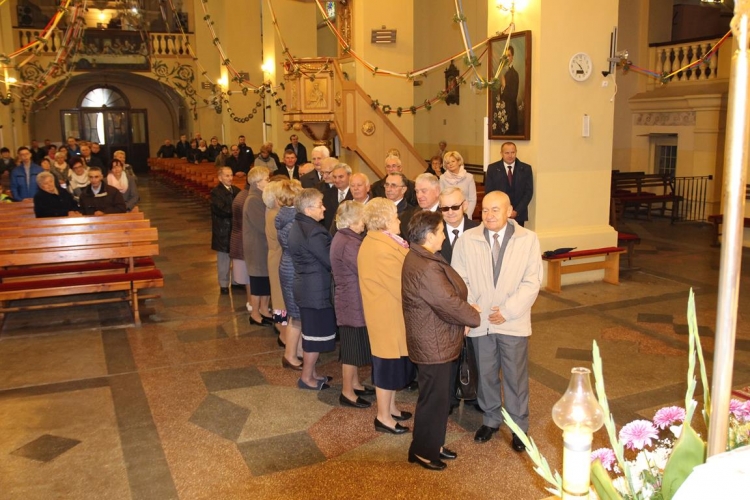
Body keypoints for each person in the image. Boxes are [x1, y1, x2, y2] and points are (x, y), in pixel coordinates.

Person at [451, 191, 542, 451]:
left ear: (509, 211)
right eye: (485, 210)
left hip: (512, 321)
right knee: (486, 374)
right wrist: (471, 306)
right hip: (481, 321)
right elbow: (459, 278)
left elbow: (532, 281)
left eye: (495, 210)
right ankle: (490, 419)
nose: (489, 215)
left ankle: (518, 426)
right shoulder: (468, 240)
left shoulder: (528, 239)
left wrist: (508, 311)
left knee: (515, 377)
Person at [402, 210, 480, 471]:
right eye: (440, 232)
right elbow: (446, 302)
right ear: (428, 235)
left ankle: (432, 444)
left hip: (434, 339)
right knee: (434, 401)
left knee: (439, 399)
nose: (444, 237)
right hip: (433, 344)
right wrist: (472, 315)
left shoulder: (420, 256)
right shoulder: (425, 266)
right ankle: (424, 452)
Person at [358, 198, 415, 434]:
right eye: (395, 217)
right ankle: (383, 417)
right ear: (384, 221)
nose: (399, 220)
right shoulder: (381, 248)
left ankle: (390, 408)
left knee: (392, 366)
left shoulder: (383, 241)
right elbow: (401, 286)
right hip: (386, 317)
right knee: (386, 367)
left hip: (390, 314)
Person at [288, 188, 336, 390]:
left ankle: (313, 373)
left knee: (311, 334)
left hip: (306, 287)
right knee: (314, 337)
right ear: (308, 209)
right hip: (316, 291)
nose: (324, 208)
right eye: (320, 205)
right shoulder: (313, 231)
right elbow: (330, 260)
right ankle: (306, 378)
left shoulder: (299, 224)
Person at [437, 187, 480, 413]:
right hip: (445, 302)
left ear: (464, 205)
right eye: (445, 208)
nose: (450, 212)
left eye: (455, 206)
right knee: (448, 353)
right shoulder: (433, 232)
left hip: (474, 300)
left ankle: (476, 395)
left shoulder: (478, 230)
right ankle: (449, 399)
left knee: (476, 351)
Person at [330, 201, 374, 408]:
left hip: (350, 299)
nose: (364, 222)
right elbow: (365, 268)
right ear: (353, 221)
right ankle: (347, 392)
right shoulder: (349, 242)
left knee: (353, 348)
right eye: (362, 218)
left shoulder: (345, 237)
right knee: (350, 350)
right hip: (351, 301)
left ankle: (355, 384)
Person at [276, 181, 305, 370]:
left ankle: (298, 350)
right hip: (294, 266)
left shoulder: (284, 214)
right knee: (296, 316)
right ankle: (290, 355)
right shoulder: (294, 219)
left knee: (295, 313)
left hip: (287, 263)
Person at [262, 180, 294, 346]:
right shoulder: (276, 215)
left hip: (275, 256)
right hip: (279, 257)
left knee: (278, 296)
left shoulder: (271, 211)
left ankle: (281, 328)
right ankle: (282, 332)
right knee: (280, 298)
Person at [242, 166, 273, 326]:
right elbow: (262, 225)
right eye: (267, 179)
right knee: (258, 281)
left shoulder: (261, 197)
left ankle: (264, 309)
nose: (269, 181)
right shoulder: (253, 199)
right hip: (257, 247)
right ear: (257, 183)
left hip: (263, 246)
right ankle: (255, 313)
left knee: (265, 280)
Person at [484, 142, 533, 226]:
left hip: (519, 215)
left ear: (516, 152)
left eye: (512, 152)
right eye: (507, 153)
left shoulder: (526, 169)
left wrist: (516, 211)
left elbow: (528, 192)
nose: (510, 156)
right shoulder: (493, 168)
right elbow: (489, 192)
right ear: (501, 153)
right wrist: (499, 210)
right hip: (498, 214)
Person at [210, 167, 241, 294]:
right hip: (222, 229)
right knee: (224, 258)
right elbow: (222, 210)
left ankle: (236, 281)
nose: (230, 178)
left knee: (236, 256)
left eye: (231, 175)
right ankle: (223, 283)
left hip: (235, 228)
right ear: (220, 177)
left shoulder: (236, 190)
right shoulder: (216, 192)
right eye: (227, 176)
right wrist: (237, 210)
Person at [230, 174, 253, 312]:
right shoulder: (248, 199)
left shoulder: (244, 195)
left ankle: (254, 305)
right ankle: (253, 305)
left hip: (242, 241)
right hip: (246, 243)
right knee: (250, 277)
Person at [440, 151, 477, 217]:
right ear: (445, 165)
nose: (450, 164)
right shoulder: (442, 178)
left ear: (459, 162)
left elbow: (472, 199)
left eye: (453, 161)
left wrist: (467, 215)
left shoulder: (469, 177)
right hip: (449, 214)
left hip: (466, 213)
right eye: (448, 163)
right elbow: (441, 198)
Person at [322, 163, 352, 229]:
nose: (337, 180)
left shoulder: (355, 194)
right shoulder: (326, 195)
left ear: (349, 176)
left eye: (341, 177)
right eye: (334, 177)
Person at [501, 46, 520, 135]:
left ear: (512, 57)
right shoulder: (502, 72)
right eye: (505, 56)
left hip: (511, 114)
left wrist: (504, 86)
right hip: (503, 112)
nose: (507, 58)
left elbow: (513, 96)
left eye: (509, 55)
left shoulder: (514, 74)